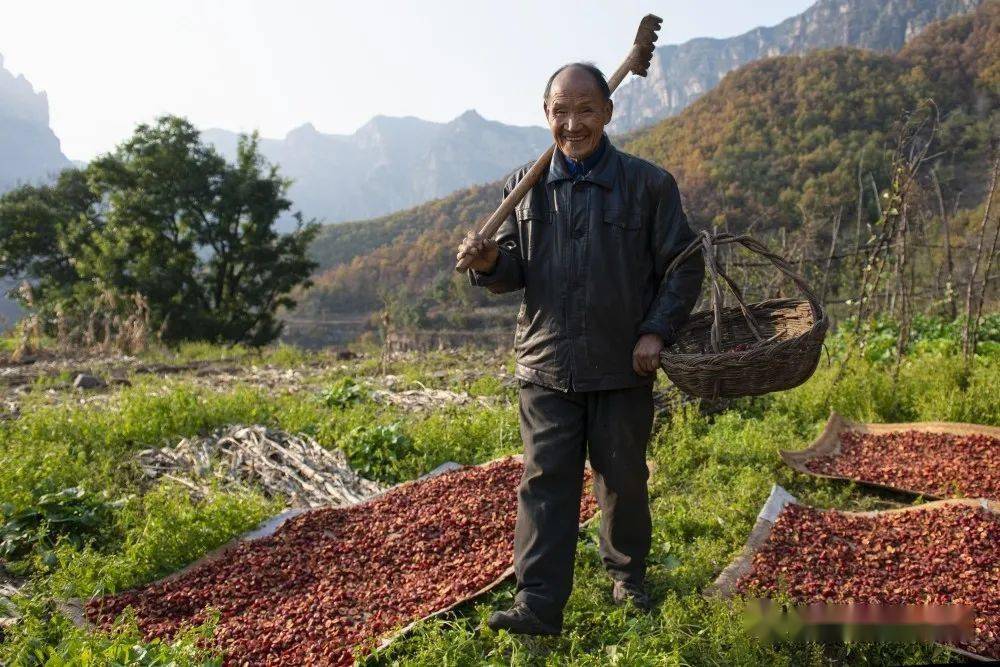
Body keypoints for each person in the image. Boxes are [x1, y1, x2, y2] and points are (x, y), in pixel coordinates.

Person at [456, 62, 704, 636]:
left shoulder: (648, 186)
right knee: (546, 482)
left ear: (608, 113)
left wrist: (656, 330)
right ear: (546, 116)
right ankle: (538, 603)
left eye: (585, 110)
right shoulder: (524, 187)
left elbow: (683, 269)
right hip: (547, 363)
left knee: (622, 479)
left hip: (622, 362)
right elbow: (513, 270)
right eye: (560, 112)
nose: (573, 123)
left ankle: (628, 579)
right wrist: (492, 263)